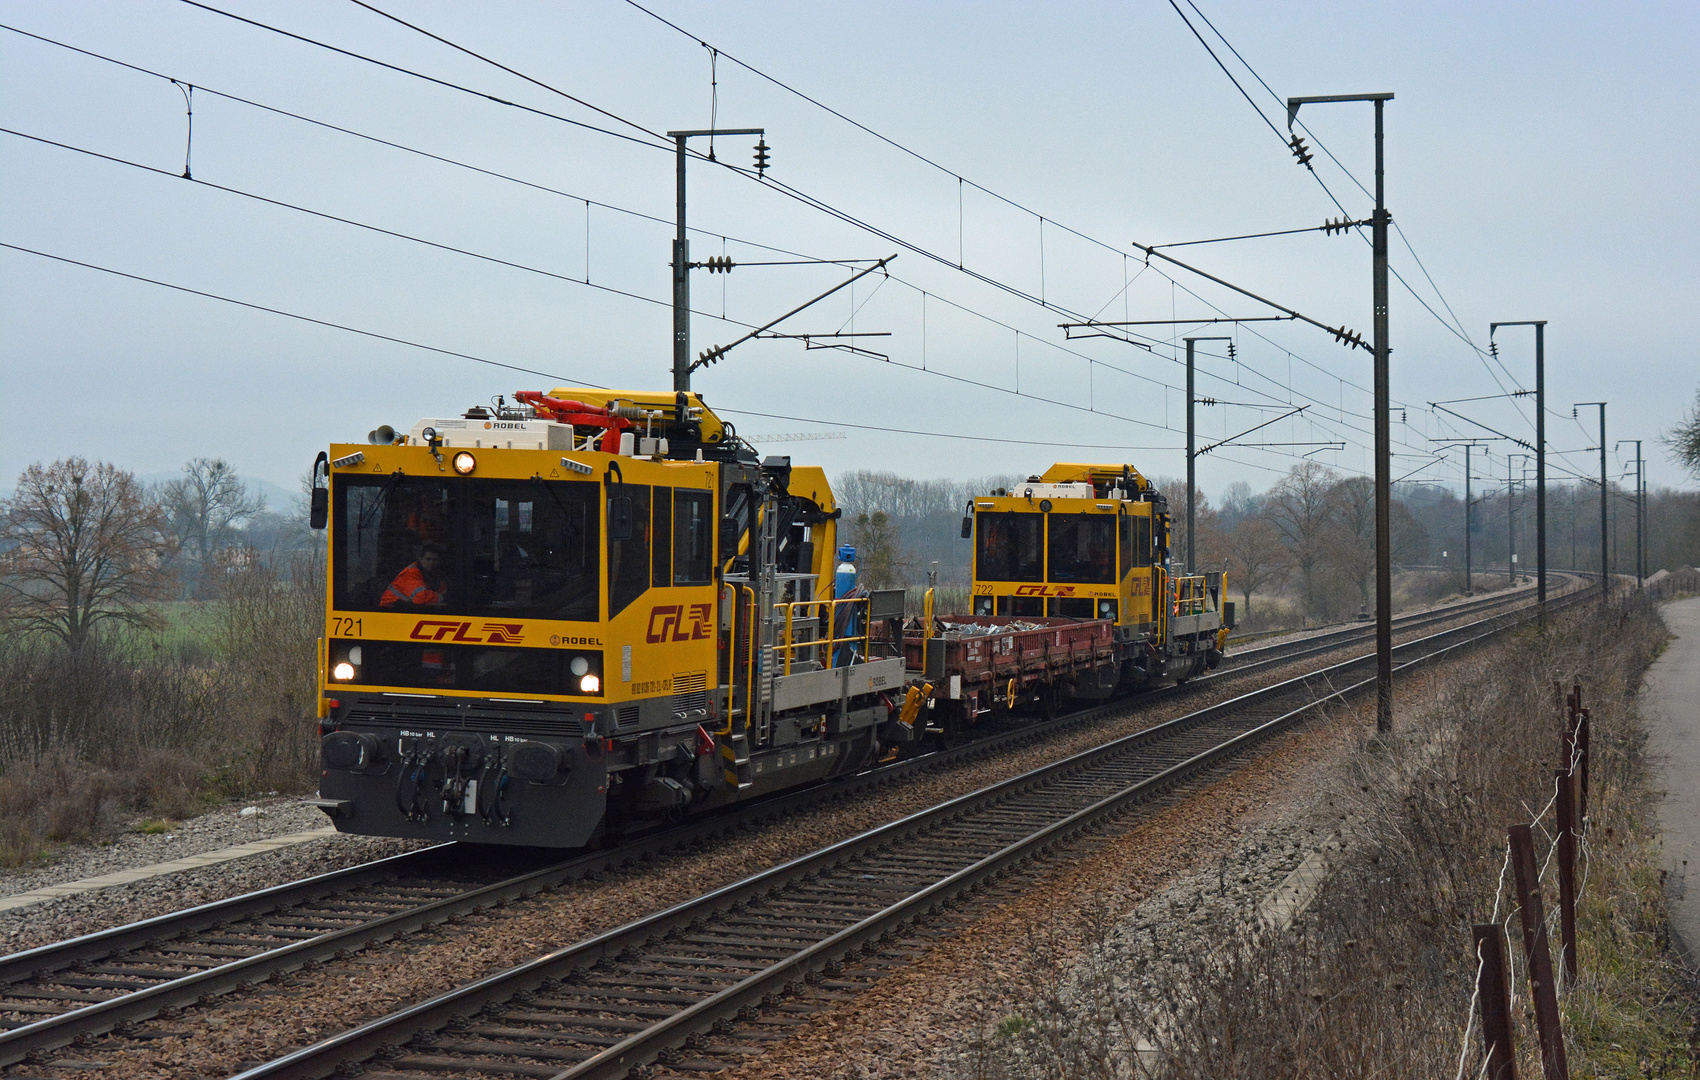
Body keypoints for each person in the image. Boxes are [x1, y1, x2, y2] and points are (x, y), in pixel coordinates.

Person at [381, 543, 448, 607]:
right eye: (428, 559)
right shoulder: (411, 572)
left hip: (404, 608)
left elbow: (443, 591)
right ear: (420, 559)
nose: (431, 563)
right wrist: (441, 597)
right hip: (390, 609)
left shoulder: (433, 573)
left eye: (435, 560)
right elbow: (421, 598)